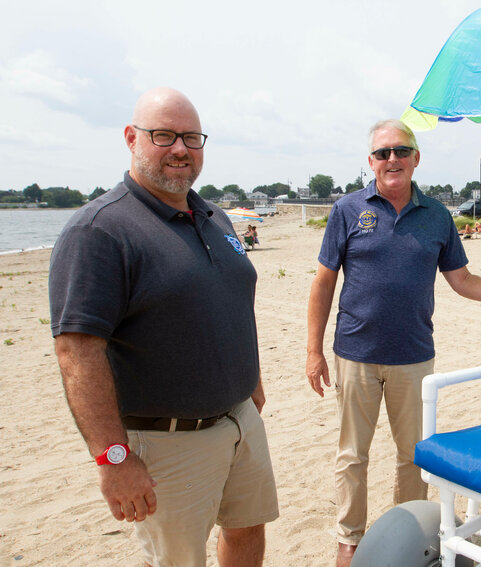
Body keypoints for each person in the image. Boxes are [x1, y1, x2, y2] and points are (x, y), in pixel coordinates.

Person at [305, 119, 481, 567]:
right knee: (352, 455)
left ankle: (407, 530)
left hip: (413, 357)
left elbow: (462, 280)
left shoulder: (439, 216)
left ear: (416, 159)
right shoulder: (348, 210)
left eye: (401, 151)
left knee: (412, 456)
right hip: (354, 354)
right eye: (383, 153)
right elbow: (324, 282)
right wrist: (313, 351)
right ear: (370, 161)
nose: (392, 160)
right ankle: (349, 538)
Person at [48, 87, 278, 567]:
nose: (180, 149)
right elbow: (77, 353)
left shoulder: (215, 217)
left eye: (191, 138)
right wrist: (113, 459)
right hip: (166, 442)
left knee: (246, 530)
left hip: (239, 421)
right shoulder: (100, 231)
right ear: (132, 139)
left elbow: (234, 300)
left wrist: (249, 377)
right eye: (163, 136)